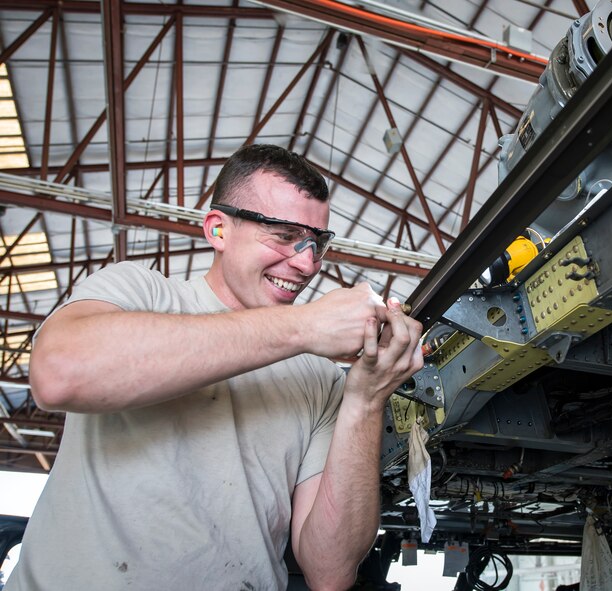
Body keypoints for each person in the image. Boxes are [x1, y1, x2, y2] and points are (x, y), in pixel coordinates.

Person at [6, 144, 424, 590]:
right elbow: (58, 373)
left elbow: (330, 572)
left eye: (316, 244)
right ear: (219, 230)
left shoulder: (320, 379)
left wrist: (366, 398)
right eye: (283, 235)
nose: (307, 264)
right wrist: (303, 325)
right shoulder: (140, 292)